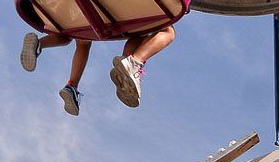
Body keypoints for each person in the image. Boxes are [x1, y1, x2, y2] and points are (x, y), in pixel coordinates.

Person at [20, 24, 176, 114]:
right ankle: (134, 62)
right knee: (168, 31)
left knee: (73, 36)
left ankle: (40, 46)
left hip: (72, 0)